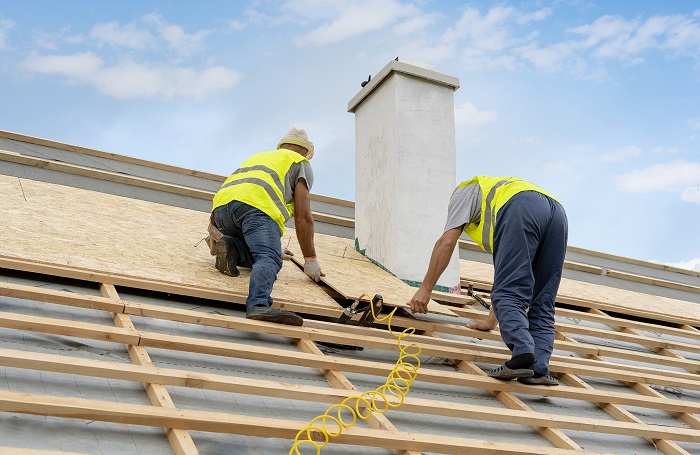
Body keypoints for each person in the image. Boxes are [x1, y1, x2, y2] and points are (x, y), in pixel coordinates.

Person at [408, 176, 568, 386]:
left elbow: (446, 242)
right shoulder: (495, 201)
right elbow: (508, 273)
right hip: (558, 215)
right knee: (542, 301)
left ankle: (522, 353)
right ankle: (538, 370)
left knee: (509, 294)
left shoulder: (463, 193)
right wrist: (492, 320)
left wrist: (425, 289)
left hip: (522, 207)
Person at [209, 127, 325, 326]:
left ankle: (233, 248)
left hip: (220, 211)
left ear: (282, 146)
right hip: (257, 209)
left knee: (259, 254)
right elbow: (303, 216)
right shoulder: (300, 163)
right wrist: (310, 258)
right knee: (269, 258)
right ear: (306, 152)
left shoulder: (261, 157)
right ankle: (259, 304)